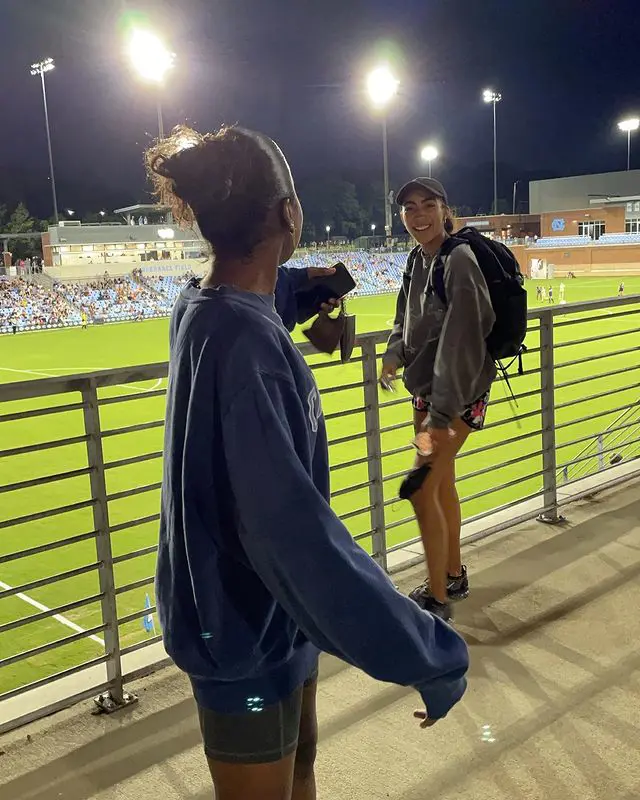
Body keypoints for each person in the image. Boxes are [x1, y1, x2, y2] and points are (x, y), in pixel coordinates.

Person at [148, 128, 468, 800]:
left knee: (301, 773)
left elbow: (241, 299)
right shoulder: (246, 349)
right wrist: (429, 653)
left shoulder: (204, 310)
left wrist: (299, 299)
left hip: (279, 629)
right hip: (242, 647)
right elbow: (298, 540)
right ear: (290, 214)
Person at [380, 177, 496, 622]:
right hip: (427, 393)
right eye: (409, 207)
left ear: (445, 210)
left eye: (427, 204)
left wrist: (440, 417)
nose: (418, 215)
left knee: (421, 486)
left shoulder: (459, 261)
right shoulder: (416, 258)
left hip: (456, 398)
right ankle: (453, 574)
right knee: (441, 483)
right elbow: (403, 318)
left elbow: (462, 343)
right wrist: (394, 357)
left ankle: (437, 599)